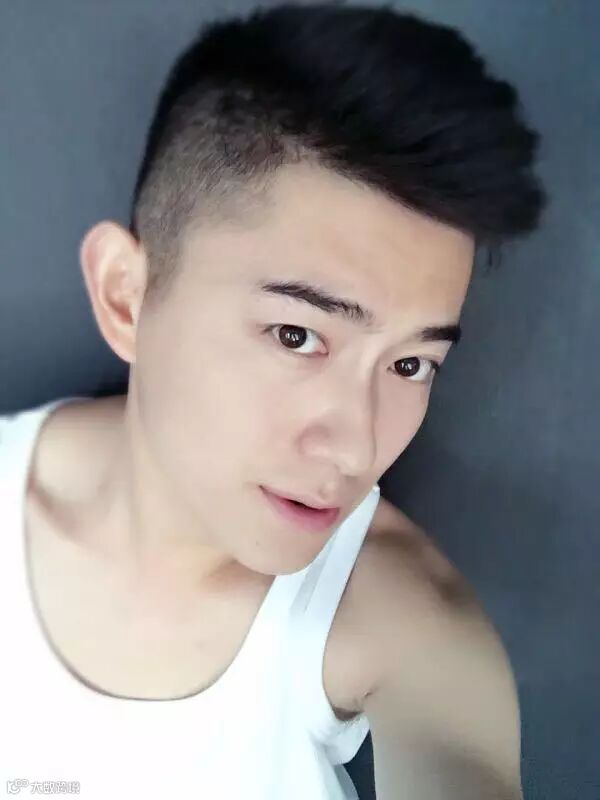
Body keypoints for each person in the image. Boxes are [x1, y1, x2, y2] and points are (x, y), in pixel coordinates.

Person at [0, 3, 546, 798]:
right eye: (297, 336)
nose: (357, 448)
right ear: (126, 296)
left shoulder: (398, 621)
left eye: (412, 364)